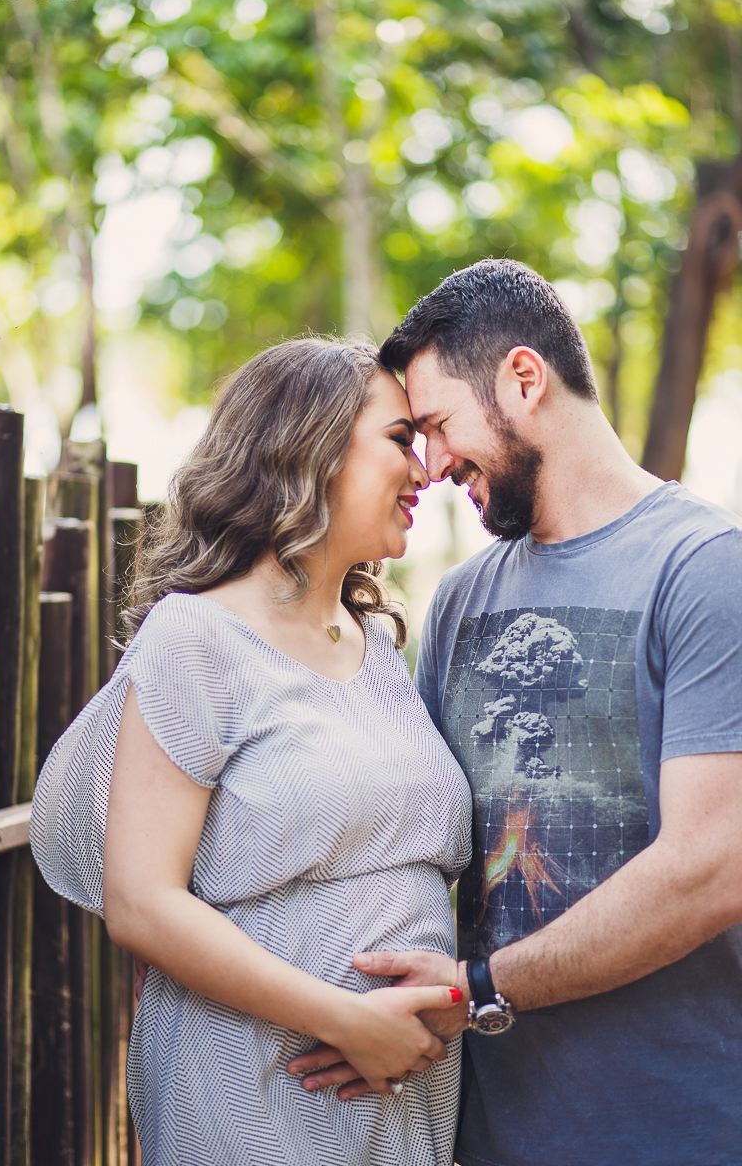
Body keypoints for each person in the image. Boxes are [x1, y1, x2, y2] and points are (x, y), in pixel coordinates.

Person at [288, 261, 742, 1166]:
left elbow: (711, 867)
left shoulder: (706, 569)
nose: (431, 462)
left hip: (677, 1126)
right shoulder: (459, 603)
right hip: (487, 1132)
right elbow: (409, 832)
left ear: (524, 379)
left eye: (439, 425)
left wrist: (479, 988)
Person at [30, 338, 473, 1166]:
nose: (425, 468)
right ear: (309, 443)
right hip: (261, 1081)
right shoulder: (195, 638)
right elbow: (141, 903)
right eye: (398, 438)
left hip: (402, 1091)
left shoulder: (377, 641)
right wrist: (344, 1019)